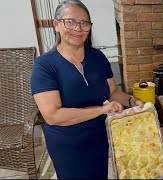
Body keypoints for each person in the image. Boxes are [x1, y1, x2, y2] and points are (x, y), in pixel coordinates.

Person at [30, 0, 144, 179]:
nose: (78, 28)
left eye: (84, 23)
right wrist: (102, 109)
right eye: (70, 21)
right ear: (56, 25)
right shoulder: (44, 65)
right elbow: (52, 115)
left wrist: (132, 101)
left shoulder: (97, 57)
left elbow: (112, 92)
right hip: (67, 144)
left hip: (98, 136)